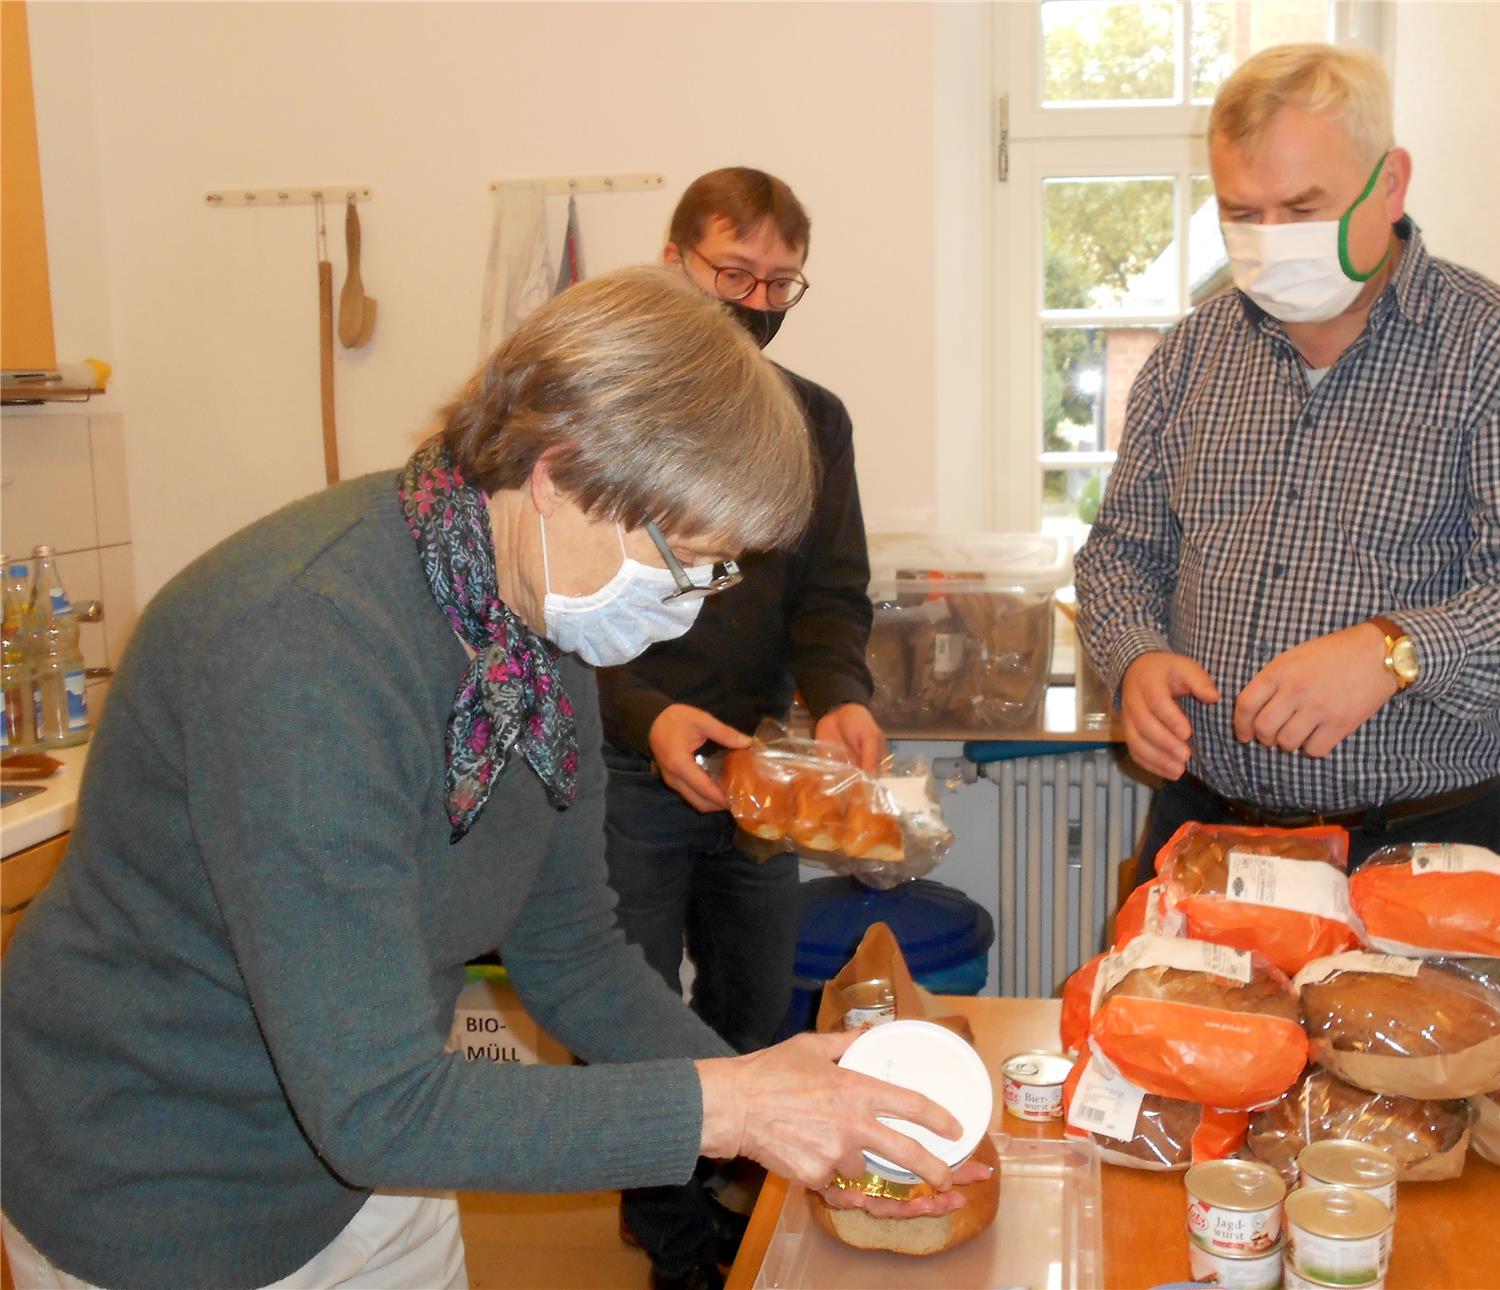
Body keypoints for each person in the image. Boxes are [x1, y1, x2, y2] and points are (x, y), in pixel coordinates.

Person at [0, 267, 982, 1290]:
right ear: (557, 472)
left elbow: (571, 950)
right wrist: (732, 1112)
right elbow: (378, 1107)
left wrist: (763, 1093)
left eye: (716, 569)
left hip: (369, 1151)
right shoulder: (301, 652)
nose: (689, 605)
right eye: (680, 558)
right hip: (165, 1189)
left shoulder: (528, 620)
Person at [1075, 44, 1500, 878]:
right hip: (1204, 826)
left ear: (1392, 183)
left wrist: (1392, 651)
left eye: (1302, 207)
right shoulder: (1190, 355)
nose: (1271, 242)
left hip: (1411, 848)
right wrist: (1135, 655)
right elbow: (1120, 551)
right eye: (1242, 215)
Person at [596, 168, 883, 1290]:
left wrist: (843, 693)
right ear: (675, 263)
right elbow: (552, 625)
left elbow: (830, 594)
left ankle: (734, 1213)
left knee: (755, 1006)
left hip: (759, 768)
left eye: (779, 282)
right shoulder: (611, 412)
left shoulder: (811, 420)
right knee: (628, 1019)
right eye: (733, 274)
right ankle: (675, 1245)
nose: (755, 301)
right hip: (625, 765)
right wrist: (649, 715)